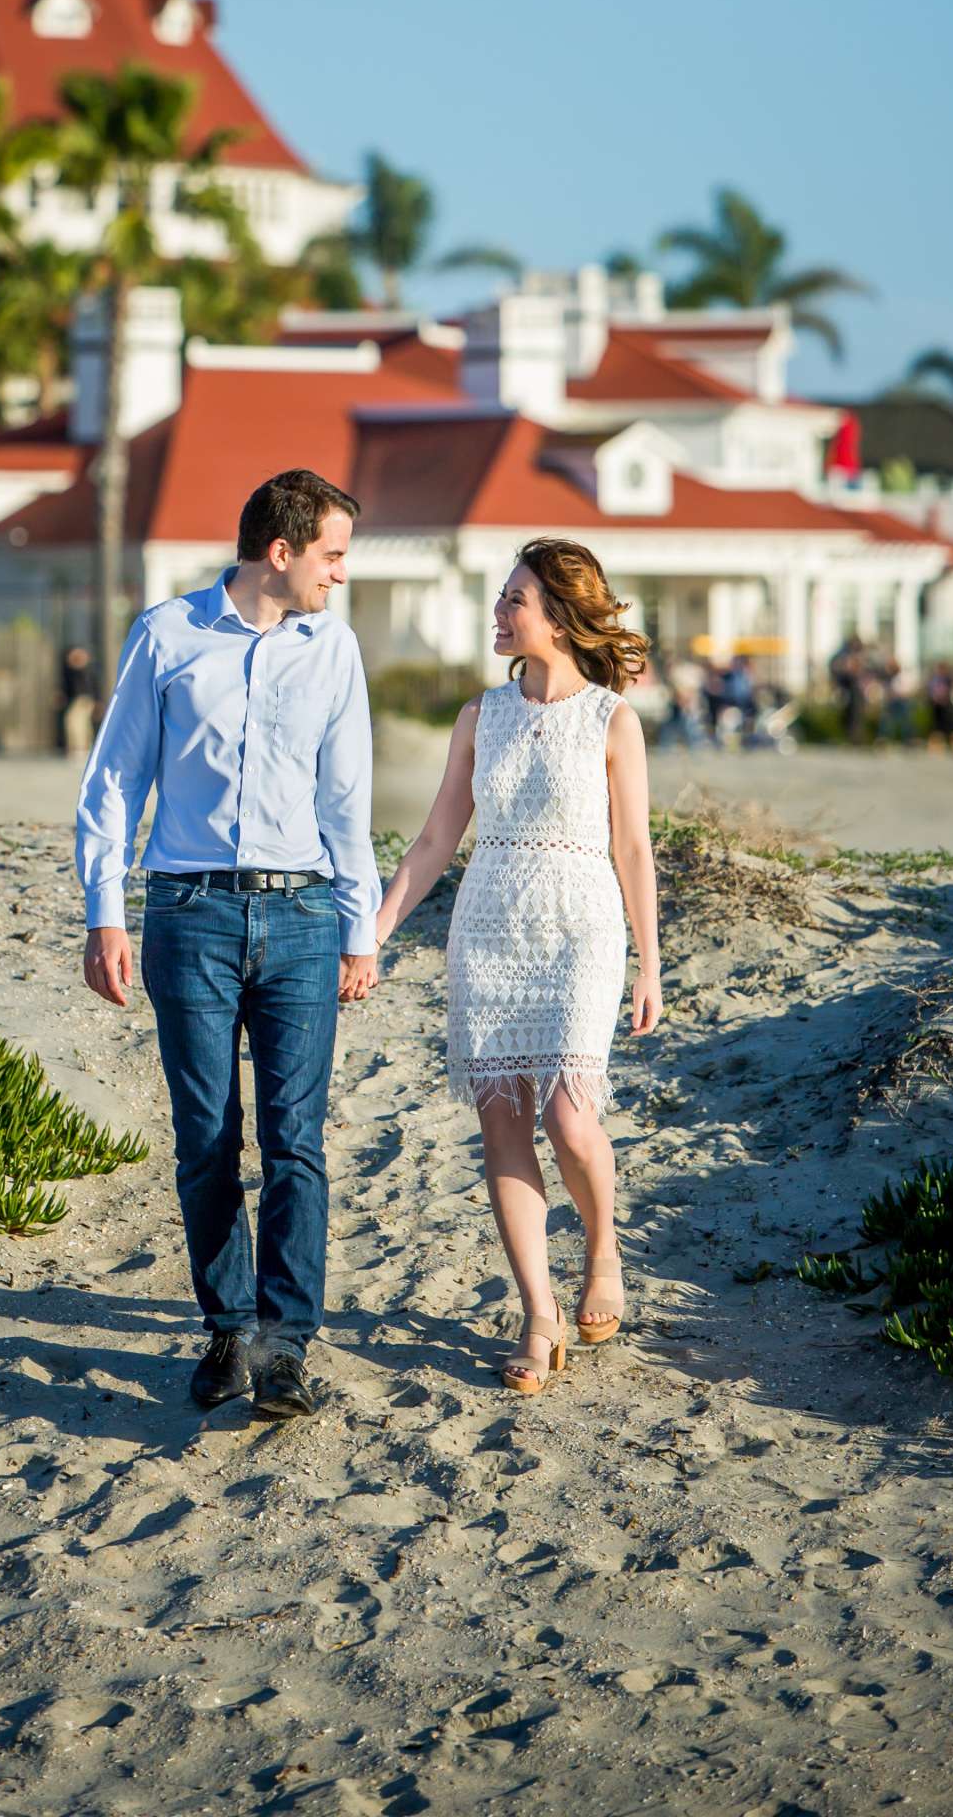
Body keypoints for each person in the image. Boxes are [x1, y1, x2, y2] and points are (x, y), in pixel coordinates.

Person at [76, 470, 380, 1422]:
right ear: (279, 553)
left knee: (297, 1140)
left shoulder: (335, 648)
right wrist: (104, 911)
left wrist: (358, 928)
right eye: (331, 554)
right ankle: (228, 1330)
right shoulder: (167, 635)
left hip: (300, 919)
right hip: (187, 916)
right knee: (206, 1140)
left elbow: (347, 802)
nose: (341, 574)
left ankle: (286, 1348)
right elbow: (114, 780)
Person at [374, 538, 662, 1395]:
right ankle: (539, 1316)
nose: (499, 614)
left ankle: (602, 1246)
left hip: (580, 926)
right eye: (501, 599)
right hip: (488, 926)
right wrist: (380, 928)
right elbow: (434, 840)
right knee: (502, 1122)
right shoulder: (479, 716)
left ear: (562, 619)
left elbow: (634, 847)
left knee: (572, 1120)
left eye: (515, 601)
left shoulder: (613, 718)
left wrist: (651, 964)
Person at [60, 644, 98, 767]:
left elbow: (93, 687)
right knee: (79, 723)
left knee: (76, 723)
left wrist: (98, 701)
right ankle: (81, 748)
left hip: (84, 699)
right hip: (77, 699)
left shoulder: (86, 670)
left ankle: (81, 749)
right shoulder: (69, 670)